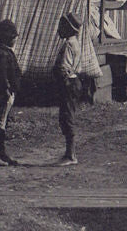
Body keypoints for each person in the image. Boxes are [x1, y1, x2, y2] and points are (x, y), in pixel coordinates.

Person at [0, 18, 21, 166]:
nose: (15, 40)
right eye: (14, 37)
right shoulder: (1, 54)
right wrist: (6, 89)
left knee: (3, 121)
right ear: (8, 38)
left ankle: (1, 151)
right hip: (3, 93)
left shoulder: (5, 52)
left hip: (8, 92)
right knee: (0, 121)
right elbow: (0, 75)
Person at [53, 11, 82, 166]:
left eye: (61, 26)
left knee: (67, 117)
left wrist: (62, 81)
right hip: (73, 82)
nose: (58, 29)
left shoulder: (69, 45)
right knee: (66, 115)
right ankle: (69, 153)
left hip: (68, 83)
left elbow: (64, 67)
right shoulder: (74, 43)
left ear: (68, 29)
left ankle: (71, 155)